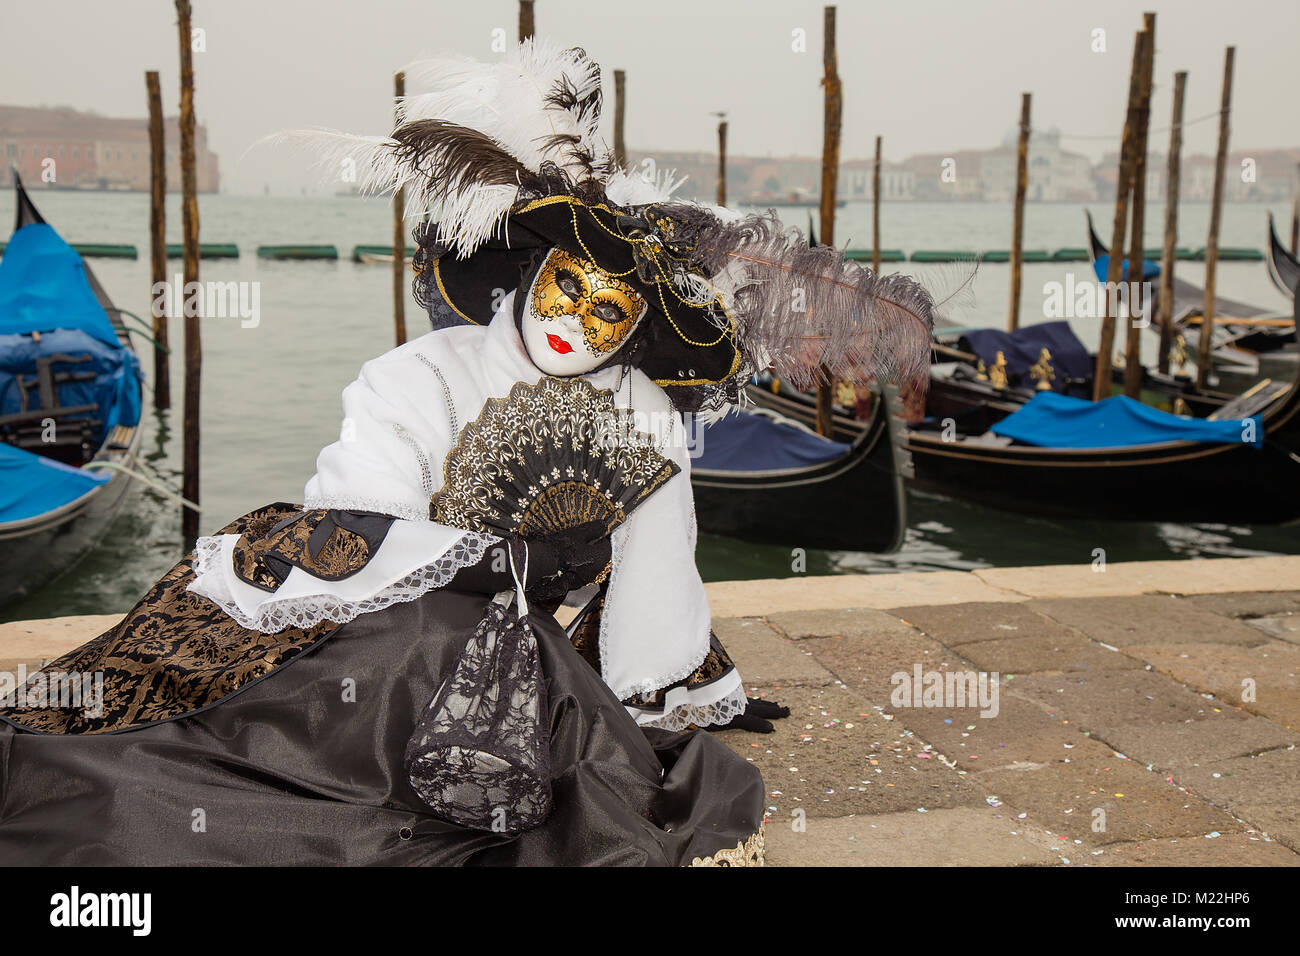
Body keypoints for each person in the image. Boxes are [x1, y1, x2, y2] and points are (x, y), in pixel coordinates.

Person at [0, 40, 936, 866]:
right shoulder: (416, 377)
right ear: (531, 273)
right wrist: (485, 562)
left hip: (530, 657)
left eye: (612, 310)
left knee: (580, 773)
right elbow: (355, 529)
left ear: (640, 329)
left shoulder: (647, 416)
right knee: (378, 680)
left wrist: (653, 686)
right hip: (381, 633)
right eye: (569, 287)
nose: (580, 321)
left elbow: (658, 570)